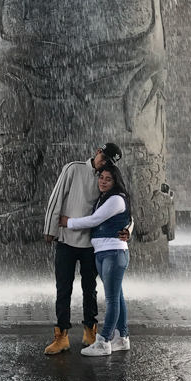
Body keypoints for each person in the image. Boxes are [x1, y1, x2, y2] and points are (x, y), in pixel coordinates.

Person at [42, 142, 123, 355]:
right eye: (103, 158)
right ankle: (62, 336)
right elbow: (56, 198)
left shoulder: (105, 181)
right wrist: (49, 229)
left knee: (90, 288)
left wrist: (129, 229)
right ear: (97, 152)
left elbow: (123, 206)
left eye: (108, 164)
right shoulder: (73, 168)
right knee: (63, 289)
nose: (104, 165)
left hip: (91, 244)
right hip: (66, 241)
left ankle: (90, 329)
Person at [60, 162, 132, 357]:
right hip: (104, 252)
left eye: (108, 179)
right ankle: (122, 337)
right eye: (101, 178)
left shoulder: (116, 199)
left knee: (111, 300)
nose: (103, 182)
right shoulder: (105, 197)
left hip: (113, 253)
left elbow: (95, 220)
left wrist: (69, 222)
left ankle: (104, 341)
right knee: (117, 297)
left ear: (116, 181)